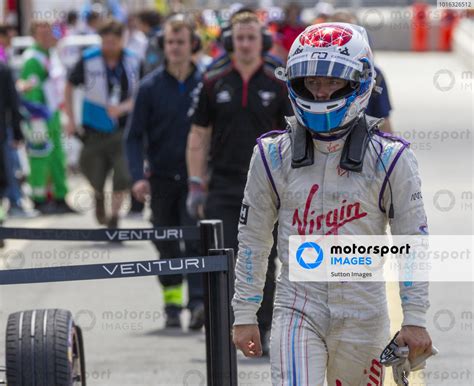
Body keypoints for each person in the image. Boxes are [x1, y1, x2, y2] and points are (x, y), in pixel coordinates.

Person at [232, 23, 432, 384]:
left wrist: (414, 318)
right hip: (297, 304)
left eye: (332, 81)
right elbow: (253, 239)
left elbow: (413, 244)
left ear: (359, 81)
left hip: (363, 311)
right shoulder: (270, 154)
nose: (321, 92)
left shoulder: (392, 158)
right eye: (311, 81)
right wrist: (245, 312)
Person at [186, 10, 292, 352]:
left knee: (266, 258)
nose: (245, 44)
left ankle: (261, 329)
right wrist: (195, 182)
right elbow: (199, 134)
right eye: (239, 38)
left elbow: (295, 135)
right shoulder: (213, 80)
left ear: (261, 40)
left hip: (271, 187)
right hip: (225, 184)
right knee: (224, 258)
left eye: (252, 37)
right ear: (230, 41)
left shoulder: (279, 80)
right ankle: (226, 329)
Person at [126, 14, 204, 330]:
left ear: (192, 45)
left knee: (198, 241)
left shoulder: (206, 83)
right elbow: (133, 137)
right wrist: (137, 177)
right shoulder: (149, 87)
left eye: (180, 42)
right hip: (160, 179)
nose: (174, 48)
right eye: (169, 42)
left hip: (196, 180)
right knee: (166, 240)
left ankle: (199, 302)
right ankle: (172, 305)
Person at [65, 19, 141, 228]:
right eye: (105, 42)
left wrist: (124, 107)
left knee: (124, 175)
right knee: (91, 170)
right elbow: (70, 85)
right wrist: (71, 119)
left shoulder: (133, 61)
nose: (109, 47)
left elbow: (142, 93)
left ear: (121, 41)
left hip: (123, 130)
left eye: (113, 42)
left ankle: (114, 217)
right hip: (94, 129)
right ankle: (99, 195)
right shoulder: (88, 59)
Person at [20, 21, 75, 214]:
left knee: (57, 158)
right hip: (38, 118)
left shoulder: (50, 55)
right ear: (34, 36)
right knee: (40, 158)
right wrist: (36, 118)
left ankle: (60, 197)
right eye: (42, 34)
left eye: (49, 33)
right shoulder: (32, 59)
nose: (47, 37)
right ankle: (39, 199)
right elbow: (29, 92)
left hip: (53, 115)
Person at [0, 60, 23, 245]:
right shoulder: (3, 68)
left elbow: (12, 101)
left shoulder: (4, 69)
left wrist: (16, 131)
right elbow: (13, 101)